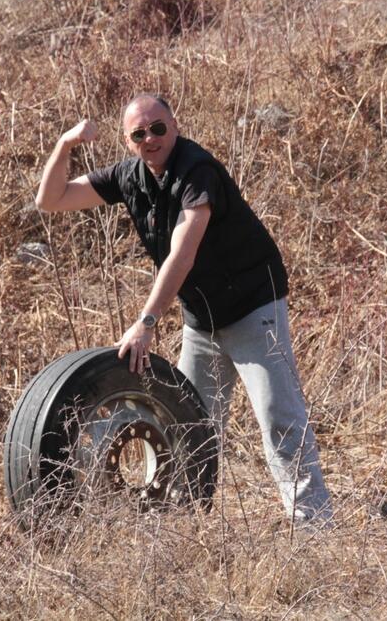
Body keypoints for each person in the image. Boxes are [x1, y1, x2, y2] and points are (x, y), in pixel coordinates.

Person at [34, 94, 333, 525]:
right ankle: (187, 525)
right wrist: (64, 145)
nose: (151, 138)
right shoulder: (129, 176)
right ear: (128, 141)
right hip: (203, 319)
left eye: (158, 128)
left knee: (279, 420)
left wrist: (146, 322)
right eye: (139, 133)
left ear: (175, 125)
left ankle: (314, 527)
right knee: (189, 426)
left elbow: (182, 254)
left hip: (252, 308)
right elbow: (52, 199)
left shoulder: (197, 170)